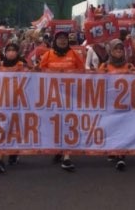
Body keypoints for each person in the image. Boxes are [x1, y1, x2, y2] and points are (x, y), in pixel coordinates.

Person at [37, 31, 85, 171]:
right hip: (52, 97)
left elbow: (82, 72)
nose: (63, 41)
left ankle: (67, 157)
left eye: (65, 39)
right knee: (55, 124)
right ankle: (59, 150)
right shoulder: (48, 55)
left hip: (69, 96)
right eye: (60, 39)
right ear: (55, 41)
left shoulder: (74, 54)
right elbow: (39, 73)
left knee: (67, 124)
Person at [0, 42, 29, 174]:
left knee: (16, 129)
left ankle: (14, 153)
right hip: (2, 103)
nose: (11, 53)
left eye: (14, 50)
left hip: (19, 104)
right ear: (5, 52)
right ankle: (0, 159)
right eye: (9, 50)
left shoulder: (22, 65)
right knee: (2, 129)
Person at [98, 39, 135, 171]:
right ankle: (113, 150)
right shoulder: (105, 67)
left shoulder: (129, 66)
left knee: (123, 129)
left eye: (121, 49)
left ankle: (121, 156)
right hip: (109, 104)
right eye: (116, 49)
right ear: (110, 51)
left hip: (125, 104)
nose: (119, 51)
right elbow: (97, 82)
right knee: (112, 128)